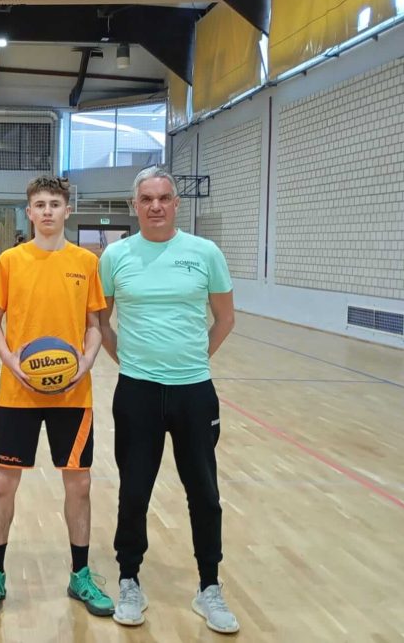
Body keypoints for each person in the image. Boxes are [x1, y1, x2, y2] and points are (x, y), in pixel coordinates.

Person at [98, 166, 238, 634]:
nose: (155, 206)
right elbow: (101, 323)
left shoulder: (205, 253)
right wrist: (129, 362)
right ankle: (129, 580)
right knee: (134, 490)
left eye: (163, 198)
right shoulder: (115, 256)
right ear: (134, 206)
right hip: (136, 391)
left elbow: (225, 318)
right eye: (146, 199)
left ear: (177, 203)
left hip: (194, 392)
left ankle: (209, 586)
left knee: (205, 493)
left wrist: (194, 360)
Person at [0, 175, 113, 619]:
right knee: (3, 484)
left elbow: (94, 325)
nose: (48, 211)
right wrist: (12, 362)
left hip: (73, 393)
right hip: (19, 392)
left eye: (55, 204)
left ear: (67, 211)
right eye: (40, 204)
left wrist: (85, 364)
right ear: (29, 212)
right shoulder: (10, 260)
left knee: (79, 484)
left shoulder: (85, 262)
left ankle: (80, 574)